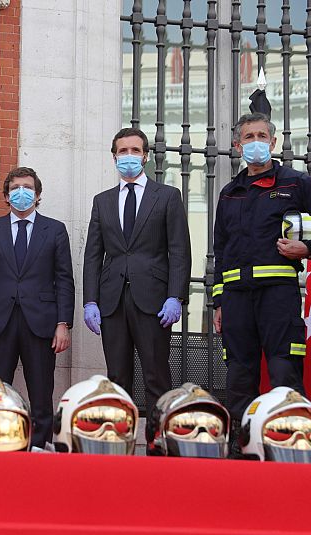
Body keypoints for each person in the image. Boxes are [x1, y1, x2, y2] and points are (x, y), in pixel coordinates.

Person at [212, 112, 311, 430]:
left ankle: (290, 435)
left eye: (261, 136)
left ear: (273, 141)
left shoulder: (295, 183)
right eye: (248, 137)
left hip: (278, 296)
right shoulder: (229, 192)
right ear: (237, 145)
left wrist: (309, 249)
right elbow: (221, 251)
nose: (255, 142)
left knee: (284, 367)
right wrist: (218, 303)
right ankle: (241, 442)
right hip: (236, 298)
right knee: (240, 373)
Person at [82, 127, 191, 438]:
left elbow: (179, 250)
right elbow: (93, 254)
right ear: (114, 157)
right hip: (112, 300)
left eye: (134, 150)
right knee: (117, 375)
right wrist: (91, 300)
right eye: (122, 151)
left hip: (154, 298)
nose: (128, 156)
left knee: (156, 374)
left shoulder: (168, 196)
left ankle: (159, 441)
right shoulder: (102, 201)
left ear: (145, 155)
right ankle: (117, 439)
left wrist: (176, 296)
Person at [0, 166, 75, 448]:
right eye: (15, 188)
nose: (21, 193)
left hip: (40, 324)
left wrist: (63, 323)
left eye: (27, 188)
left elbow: (64, 279)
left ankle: (39, 446)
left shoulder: (55, 230)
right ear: (5, 196)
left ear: (38, 195)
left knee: (41, 392)